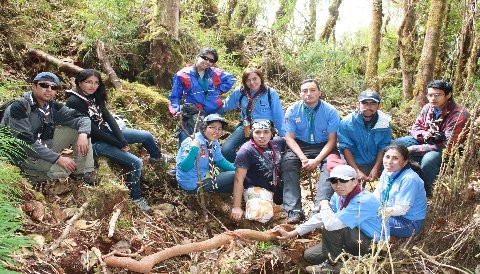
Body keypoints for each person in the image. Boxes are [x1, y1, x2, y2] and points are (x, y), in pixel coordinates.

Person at [65, 69, 168, 211]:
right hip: (94, 142)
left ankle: (157, 160)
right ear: (79, 83)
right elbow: (93, 131)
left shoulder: (94, 96)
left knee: (146, 136)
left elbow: (108, 117)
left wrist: (122, 140)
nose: (92, 86)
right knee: (136, 162)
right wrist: (117, 143)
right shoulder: (74, 101)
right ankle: (136, 197)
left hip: (106, 132)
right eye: (88, 82)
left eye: (96, 82)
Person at [273, 165, 385, 273]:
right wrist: (292, 233)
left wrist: (325, 205)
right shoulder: (339, 195)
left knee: (331, 225)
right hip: (351, 239)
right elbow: (321, 216)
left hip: (373, 246)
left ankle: (335, 265)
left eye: (343, 181)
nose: (338, 185)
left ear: (355, 182)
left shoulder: (363, 200)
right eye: (334, 181)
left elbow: (331, 224)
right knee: (309, 256)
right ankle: (345, 257)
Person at [0, 72, 95, 184]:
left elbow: (82, 118)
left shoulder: (52, 107)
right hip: (22, 155)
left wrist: (83, 134)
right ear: (34, 86)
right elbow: (24, 142)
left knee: (79, 131)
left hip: (42, 146)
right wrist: (57, 158)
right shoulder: (19, 107)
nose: (49, 89)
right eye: (44, 85)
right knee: (64, 170)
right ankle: (30, 175)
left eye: (54, 87)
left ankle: (83, 173)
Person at [393, 80, 470, 196]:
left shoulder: (459, 115)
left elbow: (449, 144)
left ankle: (427, 192)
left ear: (448, 95)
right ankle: (395, 181)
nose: (433, 98)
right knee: (395, 145)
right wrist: (423, 134)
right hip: (427, 140)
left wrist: (415, 149)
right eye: (430, 95)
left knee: (429, 160)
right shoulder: (428, 107)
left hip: (449, 149)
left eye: (437, 95)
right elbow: (415, 127)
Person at [282, 79, 340, 223]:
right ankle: (293, 210)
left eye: (313, 90)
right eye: (305, 91)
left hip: (324, 145)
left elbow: (332, 140)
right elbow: (289, 138)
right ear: (300, 94)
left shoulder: (330, 111)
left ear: (319, 93)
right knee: (288, 163)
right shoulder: (292, 110)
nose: (309, 94)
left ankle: (319, 209)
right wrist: (303, 158)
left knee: (331, 166)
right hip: (299, 145)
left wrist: (318, 160)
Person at [168, 47, 236, 146]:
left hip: (214, 109)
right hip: (195, 110)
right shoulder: (183, 74)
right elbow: (175, 96)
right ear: (197, 57)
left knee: (210, 137)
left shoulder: (213, 73)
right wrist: (176, 111)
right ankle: (183, 158)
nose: (207, 62)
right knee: (186, 135)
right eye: (205, 58)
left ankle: (209, 158)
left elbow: (230, 79)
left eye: (211, 60)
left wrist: (217, 91)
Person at [220, 68, 285, 162]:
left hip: (265, 127)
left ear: (260, 79)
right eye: (248, 80)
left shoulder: (270, 93)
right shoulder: (240, 92)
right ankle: (240, 170)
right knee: (226, 150)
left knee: (260, 154)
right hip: (246, 126)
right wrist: (208, 110)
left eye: (255, 79)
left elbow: (278, 115)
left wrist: (284, 136)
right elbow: (226, 105)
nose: (252, 82)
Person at [230, 120, 286, 223]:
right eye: (257, 132)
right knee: (261, 215)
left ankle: (276, 206)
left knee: (291, 207)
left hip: (278, 186)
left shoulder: (279, 142)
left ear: (272, 133)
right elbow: (238, 179)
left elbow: (295, 141)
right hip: (256, 189)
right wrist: (236, 207)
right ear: (252, 133)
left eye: (266, 132)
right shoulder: (246, 151)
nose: (262, 136)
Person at [338, 90, 391, 185]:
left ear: (379, 106)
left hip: (377, 162)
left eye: (373, 103)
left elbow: (383, 147)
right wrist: (356, 171)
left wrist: (376, 168)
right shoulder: (347, 123)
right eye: (364, 103)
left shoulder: (384, 123)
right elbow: (346, 148)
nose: (368, 107)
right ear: (358, 104)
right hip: (355, 162)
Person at [374, 144, 427, 237]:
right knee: (362, 214)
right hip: (392, 215)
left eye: (395, 158)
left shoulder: (409, 179)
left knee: (367, 220)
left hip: (408, 222)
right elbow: (377, 193)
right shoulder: (387, 172)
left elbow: (402, 210)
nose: (389, 162)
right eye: (387, 157)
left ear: (404, 162)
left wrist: (376, 212)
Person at [176, 114, 235, 193]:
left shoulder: (214, 142)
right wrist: (193, 151)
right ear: (204, 128)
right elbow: (184, 167)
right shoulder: (192, 142)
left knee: (237, 168)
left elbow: (220, 160)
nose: (217, 131)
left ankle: (223, 191)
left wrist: (236, 168)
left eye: (219, 129)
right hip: (192, 182)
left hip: (204, 171)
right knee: (235, 175)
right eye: (212, 127)